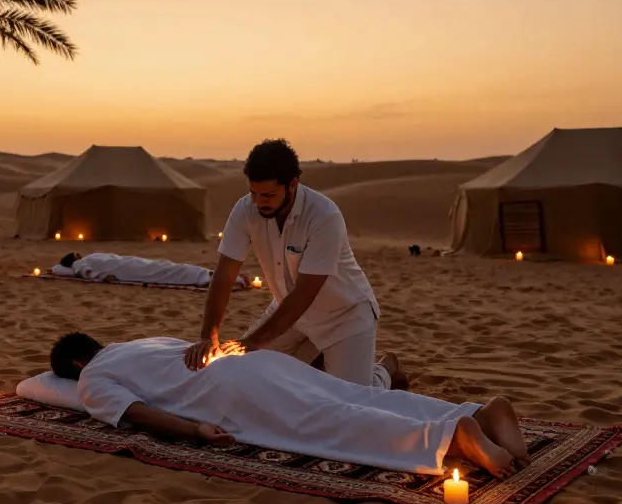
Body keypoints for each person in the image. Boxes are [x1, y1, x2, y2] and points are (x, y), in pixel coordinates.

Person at [51, 332, 529, 477]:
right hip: (258, 365)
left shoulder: (94, 375)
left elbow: (135, 414)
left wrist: (191, 431)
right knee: (351, 394)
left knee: (332, 421)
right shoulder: (144, 342)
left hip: (231, 394)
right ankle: (472, 413)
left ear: (76, 362)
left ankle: (450, 437)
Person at [185, 139, 394, 388]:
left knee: (352, 401)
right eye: (254, 193)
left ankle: (386, 370)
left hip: (343, 315)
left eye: (269, 195)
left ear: (293, 184)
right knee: (245, 371)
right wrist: (209, 335)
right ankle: (314, 359)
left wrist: (253, 342)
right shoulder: (245, 210)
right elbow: (225, 273)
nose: (260, 201)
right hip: (287, 312)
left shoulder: (324, 216)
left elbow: (305, 293)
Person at [54, 252, 252, 289]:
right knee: (175, 272)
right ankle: (227, 280)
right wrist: (105, 277)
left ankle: (221, 276)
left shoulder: (88, 257)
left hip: (132, 264)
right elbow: (88, 273)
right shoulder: (79, 264)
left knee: (173, 268)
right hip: (130, 272)